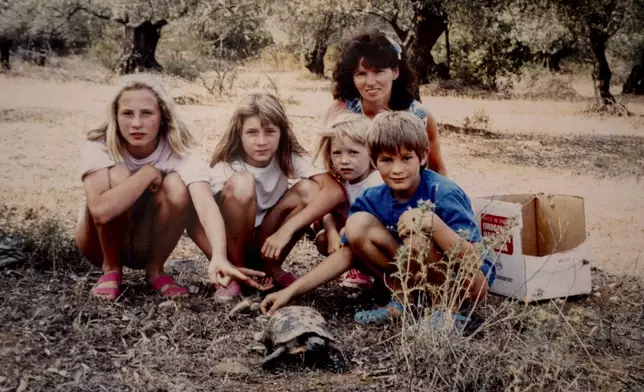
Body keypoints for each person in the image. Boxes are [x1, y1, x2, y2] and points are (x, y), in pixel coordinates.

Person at [261, 112, 495, 325]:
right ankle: (402, 301)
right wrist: (290, 292)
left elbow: (473, 262)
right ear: (374, 161)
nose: (396, 169)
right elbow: (347, 254)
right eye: (386, 160)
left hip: (467, 285)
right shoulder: (372, 197)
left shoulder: (443, 193)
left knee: (416, 236)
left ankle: (445, 313)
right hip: (418, 278)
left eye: (406, 158)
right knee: (357, 225)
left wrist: (433, 224)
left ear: (423, 157)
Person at [75, 74, 267, 302]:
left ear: (162, 117)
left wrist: (218, 255)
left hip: (143, 245)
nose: (136, 123)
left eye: (147, 113)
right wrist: (147, 173)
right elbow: (100, 211)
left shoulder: (179, 151)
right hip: (98, 244)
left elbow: (205, 205)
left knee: (177, 185)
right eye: (127, 113)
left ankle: (155, 270)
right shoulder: (99, 145)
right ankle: (112, 270)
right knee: (118, 175)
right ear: (115, 117)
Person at [189, 93, 345, 302]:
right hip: (235, 245)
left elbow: (335, 191)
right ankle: (238, 274)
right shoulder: (226, 167)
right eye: (252, 132)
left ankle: (272, 269)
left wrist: (287, 230)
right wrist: (222, 260)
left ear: (282, 132)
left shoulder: (288, 156)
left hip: (268, 241)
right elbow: (192, 222)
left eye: (270, 131)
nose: (261, 142)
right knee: (243, 183)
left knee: (311, 188)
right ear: (239, 134)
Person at [324, 30, 447, 177]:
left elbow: (437, 171)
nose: (370, 82)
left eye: (378, 72)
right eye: (361, 74)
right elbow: (326, 168)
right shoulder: (340, 111)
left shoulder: (420, 116)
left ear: (395, 72)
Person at [312, 112, 382, 290]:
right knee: (322, 238)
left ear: (371, 153)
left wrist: (341, 233)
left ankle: (382, 281)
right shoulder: (343, 182)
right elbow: (331, 213)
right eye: (337, 153)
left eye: (353, 152)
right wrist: (332, 233)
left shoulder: (376, 183)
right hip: (351, 237)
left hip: (378, 245)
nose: (344, 161)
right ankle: (357, 270)